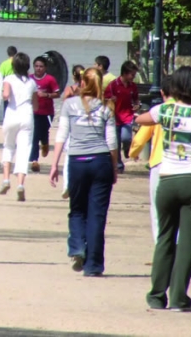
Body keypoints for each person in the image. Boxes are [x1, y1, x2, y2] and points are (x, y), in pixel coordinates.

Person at [138, 67, 191, 312]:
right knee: (188, 243)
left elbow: (140, 119)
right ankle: (179, 298)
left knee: (165, 238)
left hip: (168, 180)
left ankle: (156, 295)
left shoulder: (164, 111)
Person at [48, 67, 117, 276]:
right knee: (97, 214)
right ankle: (94, 265)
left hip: (77, 161)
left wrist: (54, 164)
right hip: (101, 161)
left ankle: (77, 246)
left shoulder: (69, 105)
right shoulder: (107, 107)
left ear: (82, 83)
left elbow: (62, 134)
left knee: (77, 209)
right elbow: (112, 141)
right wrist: (114, 168)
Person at [129, 73, 175, 242]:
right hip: (183, 165)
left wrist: (133, 152)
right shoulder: (190, 110)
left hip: (159, 163)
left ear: (163, 92)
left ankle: (160, 245)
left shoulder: (159, 112)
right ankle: (177, 243)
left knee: (157, 208)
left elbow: (141, 137)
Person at [0, 52, 37, 200]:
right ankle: (20, 184)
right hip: (27, 115)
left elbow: (6, 95)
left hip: (12, 114)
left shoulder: (8, 79)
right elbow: (36, 105)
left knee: (8, 146)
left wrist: (4, 93)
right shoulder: (32, 82)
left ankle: (6, 179)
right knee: (24, 150)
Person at [104, 60, 140, 173]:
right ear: (124, 73)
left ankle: (127, 148)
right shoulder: (113, 85)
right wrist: (110, 100)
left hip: (127, 116)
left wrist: (137, 105)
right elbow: (104, 100)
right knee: (116, 142)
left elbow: (136, 99)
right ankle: (119, 165)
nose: (133, 77)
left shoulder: (133, 86)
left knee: (126, 137)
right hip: (115, 117)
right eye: (132, 75)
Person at [60, 64, 87, 197]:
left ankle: (67, 184)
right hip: (86, 127)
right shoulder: (89, 91)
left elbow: (64, 105)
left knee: (68, 159)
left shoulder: (70, 90)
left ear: (73, 76)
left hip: (72, 126)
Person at [29, 55, 60, 172]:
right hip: (33, 112)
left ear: (45, 68)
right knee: (34, 135)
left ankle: (45, 143)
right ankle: (34, 161)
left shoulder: (50, 79)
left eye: (41, 66)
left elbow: (57, 94)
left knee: (43, 132)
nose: (38, 68)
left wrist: (46, 95)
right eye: (36, 66)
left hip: (47, 112)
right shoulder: (30, 78)